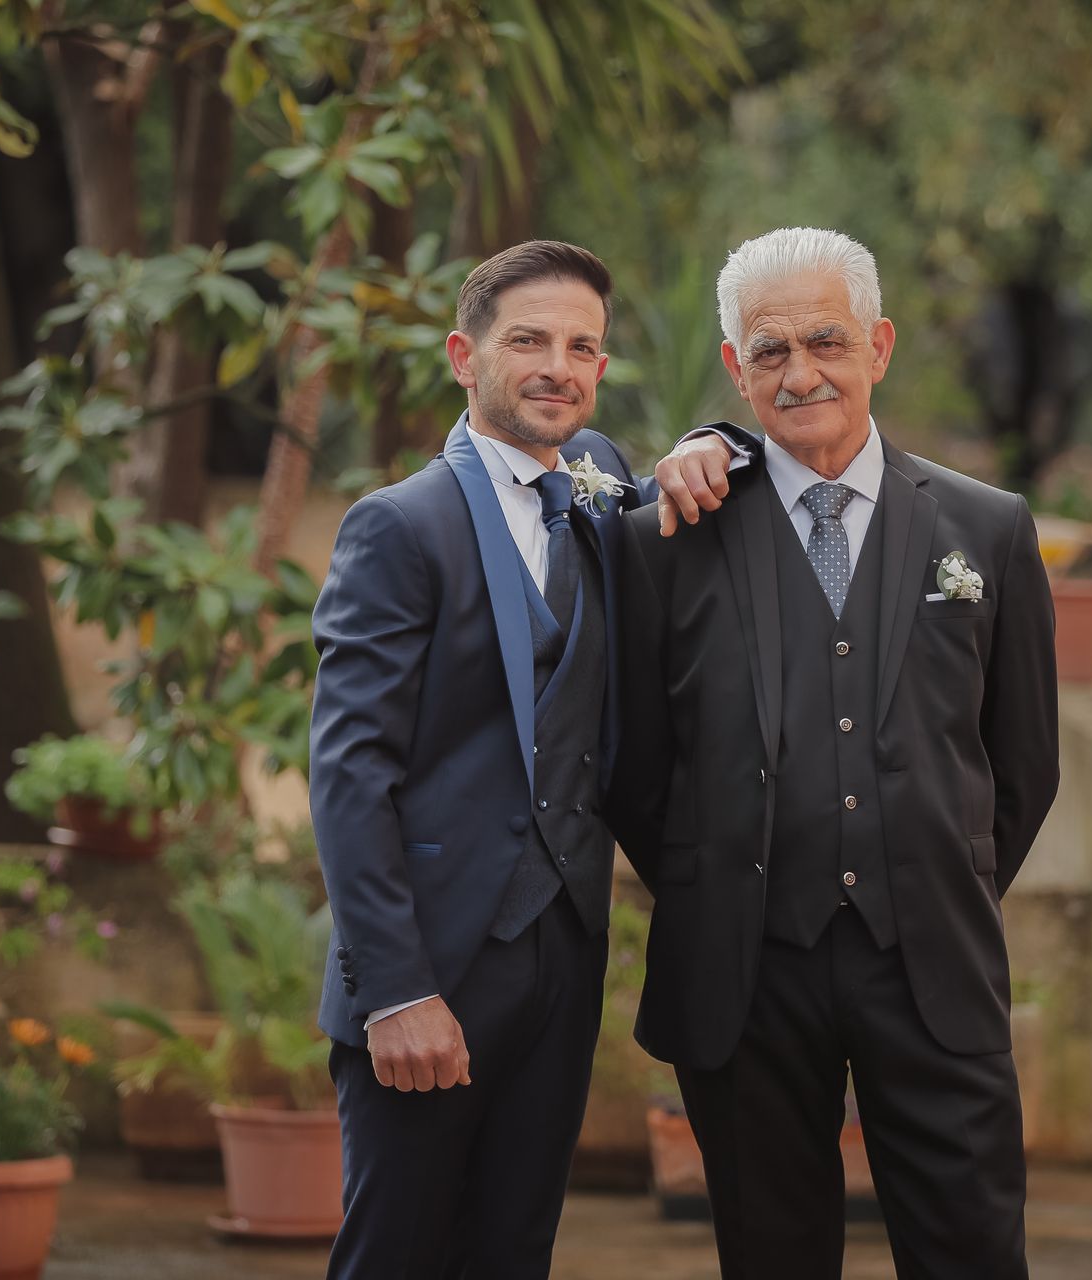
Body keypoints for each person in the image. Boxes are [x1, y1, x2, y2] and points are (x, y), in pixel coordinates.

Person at [610, 226, 1061, 1279]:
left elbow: (1023, 763)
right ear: (737, 368)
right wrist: (721, 879)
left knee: (972, 1252)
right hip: (745, 975)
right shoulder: (664, 537)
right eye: (770, 351)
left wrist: (932, 876)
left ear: (879, 346)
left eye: (827, 341)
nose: (800, 372)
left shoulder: (988, 528)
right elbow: (634, 768)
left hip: (933, 963)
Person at [309, 239, 730, 1278]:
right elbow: (350, 773)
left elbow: (690, 480)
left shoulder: (602, 484)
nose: (558, 367)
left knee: (514, 1251)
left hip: (562, 962)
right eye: (528, 341)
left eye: (582, 347)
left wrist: (713, 438)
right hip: (433, 966)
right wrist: (395, 990)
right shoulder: (397, 526)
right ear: (466, 357)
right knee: (396, 1255)